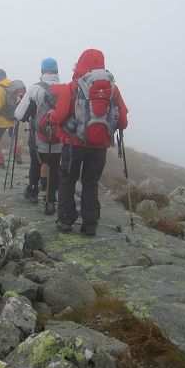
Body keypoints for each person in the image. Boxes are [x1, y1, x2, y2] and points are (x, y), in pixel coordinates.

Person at [49, 49, 129, 236]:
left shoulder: (74, 86)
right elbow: (123, 120)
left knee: (68, 180)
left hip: (73, 143)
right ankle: (90, 224)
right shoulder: (113, 88)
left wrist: (52, 117)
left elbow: (60, 115)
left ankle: (66, 220)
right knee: (91, 183)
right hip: (99, 147)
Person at [14, 58, 62, 213]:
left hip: (38, 136)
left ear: (42, 71)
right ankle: (50, 199)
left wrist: (20, 102)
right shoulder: (66, 89)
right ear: (56, 71)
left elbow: (20, 115)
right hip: (59, 137)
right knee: (55, 166)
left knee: (36, 162)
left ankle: (33, 191)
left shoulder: (35, 89)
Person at [0, 69, 24, 168]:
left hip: (1, 119)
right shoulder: (14, 86)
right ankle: (18, 156)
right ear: (5, 76)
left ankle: (0, 162)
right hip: (14, 117)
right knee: (13, 136)